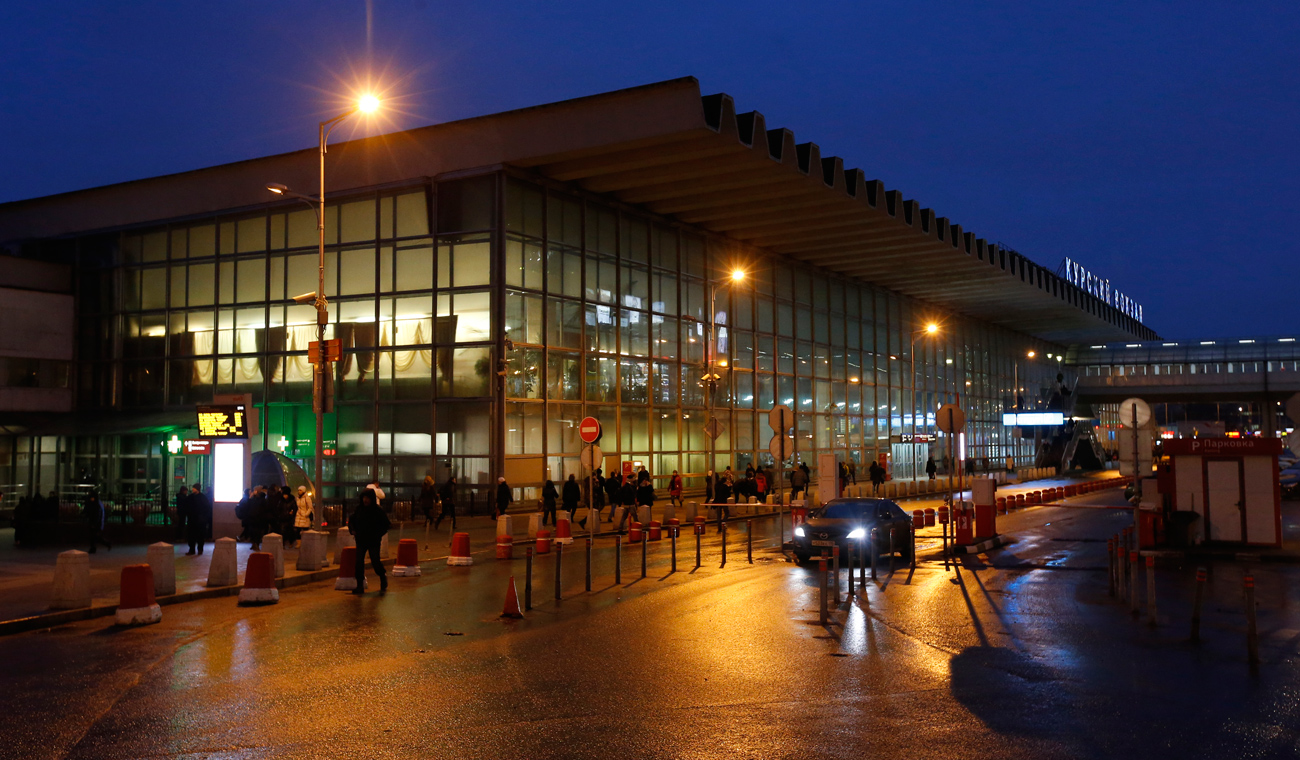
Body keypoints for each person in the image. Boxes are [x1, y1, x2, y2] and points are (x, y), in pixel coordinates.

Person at [348, 488, 390, 596]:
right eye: (364, 498)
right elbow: (352, 520)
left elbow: (386, 525)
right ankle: (359, 586)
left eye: (367, 498)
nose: (365, 500)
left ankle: (382, 576)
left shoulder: (377, 511)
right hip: (361, 541)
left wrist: (378, 534)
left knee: (375, 561)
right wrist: (353, 530)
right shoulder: (359, 510)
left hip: (373, 541)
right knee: (359, 563)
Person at [187, 484, 212, 555]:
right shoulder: (199, 497)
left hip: (199, 520)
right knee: (192, 535)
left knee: (199, 536)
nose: (192, 489)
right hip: (194, 519)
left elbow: (207, 508)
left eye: (194, 488)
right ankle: (192, 549)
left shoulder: (200, 497)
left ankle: (199, 549)